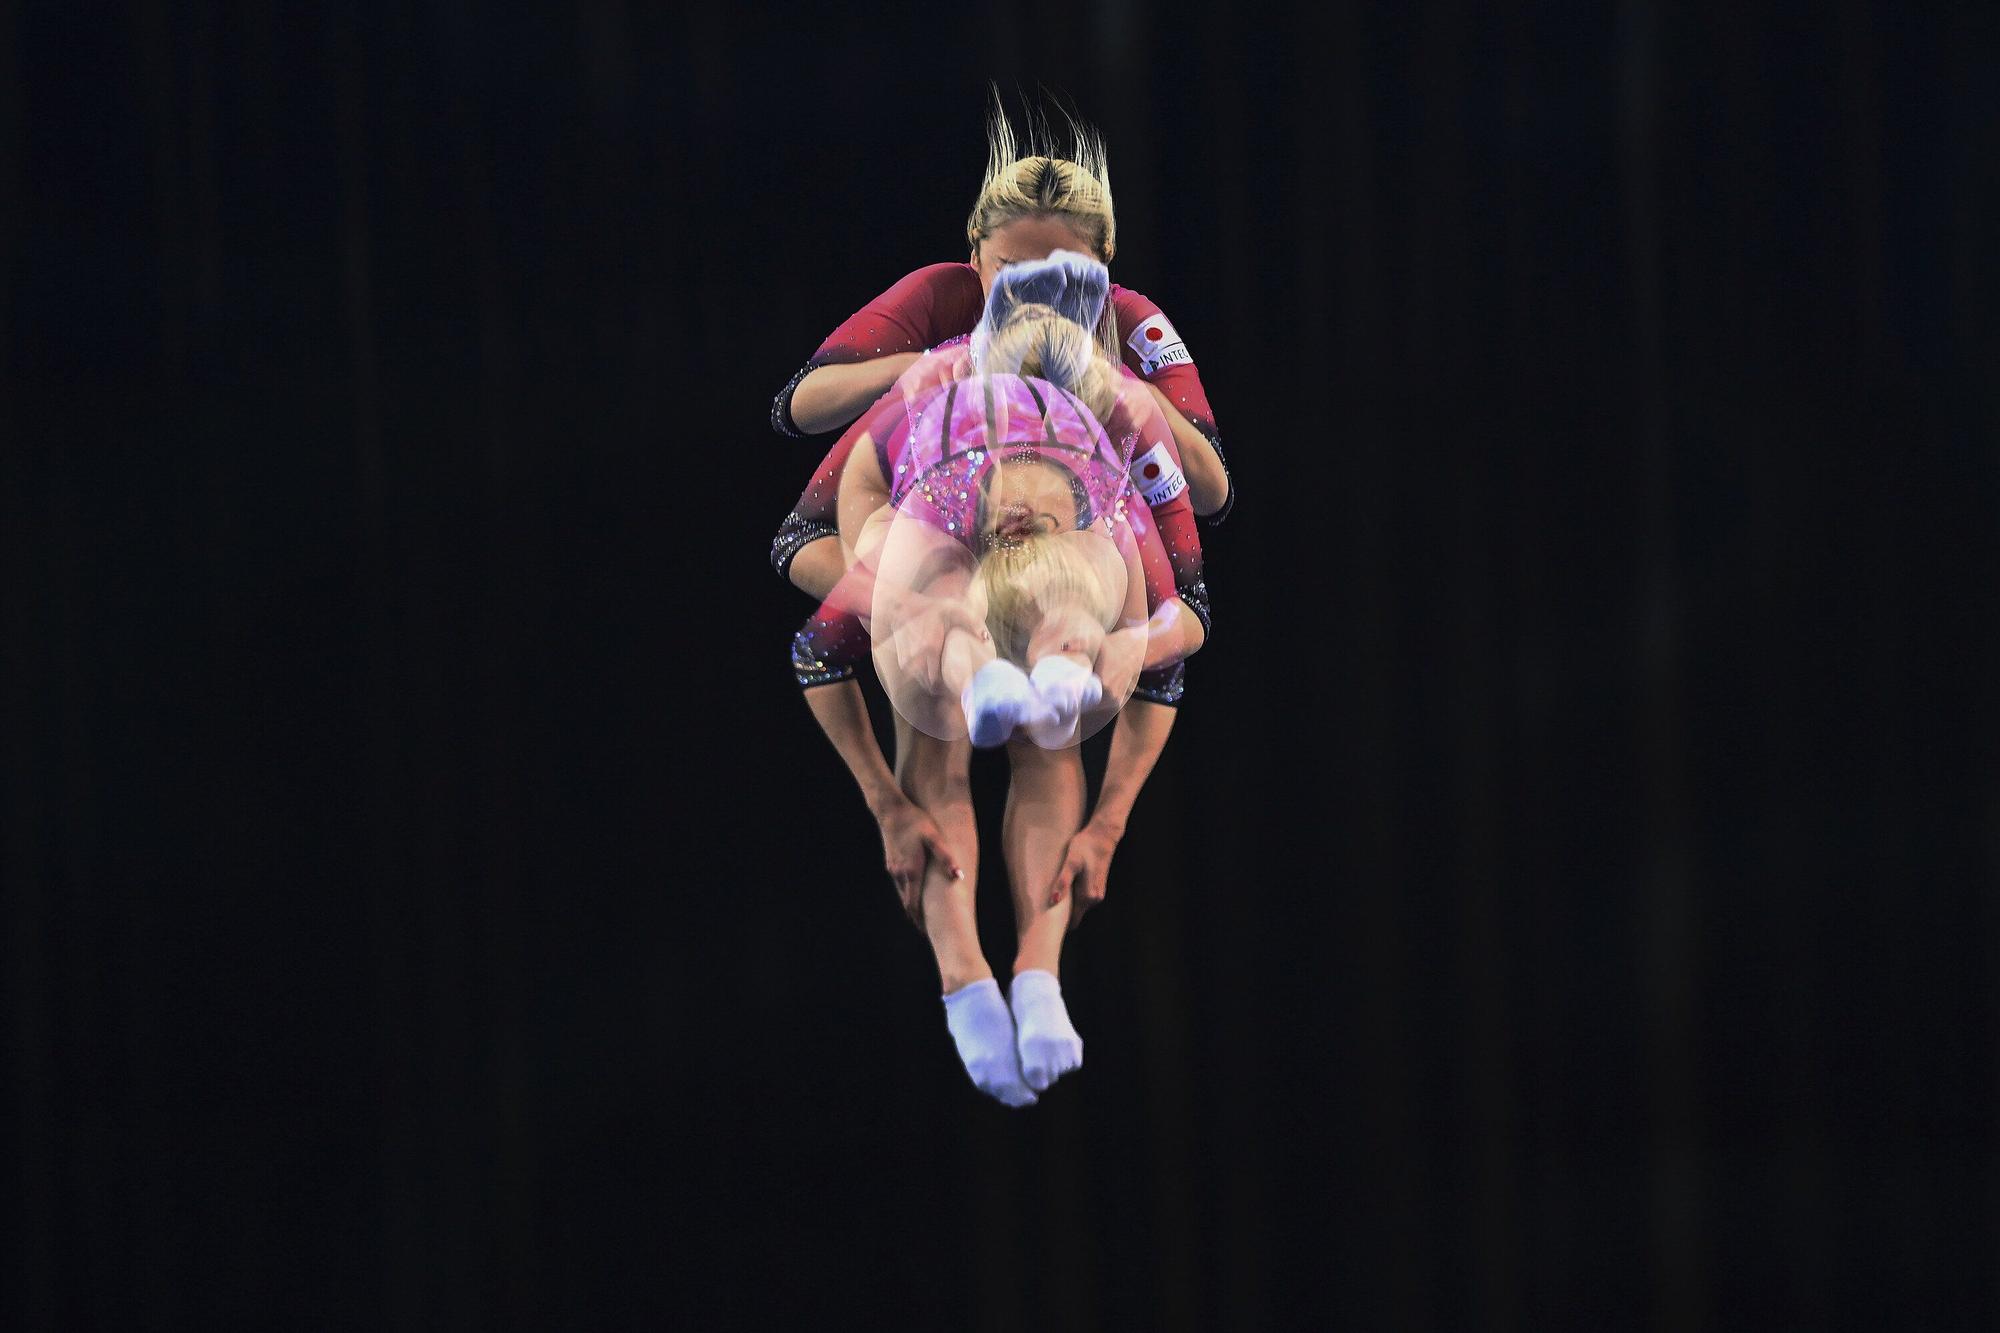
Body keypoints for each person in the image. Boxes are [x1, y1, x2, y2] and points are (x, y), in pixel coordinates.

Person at [773, 105, 1226, 1106]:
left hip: (1063, 510)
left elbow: (1202, 526)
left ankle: (1035, 973)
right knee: (936, 668)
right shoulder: (936, 380)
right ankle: (963, 978)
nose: (1035, 303)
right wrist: (886, 797)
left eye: (1063, 282)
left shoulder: (1122, 384)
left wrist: (1107, 382)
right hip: (921, 503)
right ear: (973, 260)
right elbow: (799, 452)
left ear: (1103, 278)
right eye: (1011, 278)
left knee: (1053, 720)